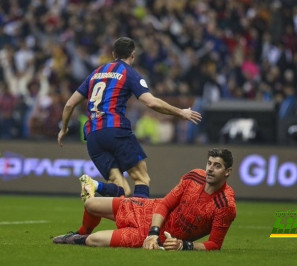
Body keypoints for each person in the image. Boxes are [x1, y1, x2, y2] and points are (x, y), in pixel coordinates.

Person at [57, 37, 202, 199]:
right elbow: (151, 102)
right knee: (141, 178)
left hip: (93, 137)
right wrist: (181, 112)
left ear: (113, 54)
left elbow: (69, 104)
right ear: (133, 55)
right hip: (115, 130)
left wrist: (63, 129)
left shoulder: (96, 73)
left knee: (122, 190)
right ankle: (139, 222)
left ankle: (94, 185)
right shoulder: (129, 73)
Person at [53, 148, 236, 251]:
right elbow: (165, 203)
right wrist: (153, 231)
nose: (210, 169)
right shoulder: (194, 176)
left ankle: (81, 239)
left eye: (217, 166)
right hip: (149, 211)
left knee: (95, 240)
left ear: (227, 172)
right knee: (90, 204)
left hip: (155, 237)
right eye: (209, 163)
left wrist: (184, 245)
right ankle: (79, 233)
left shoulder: (226, 205)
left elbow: (215, 244)